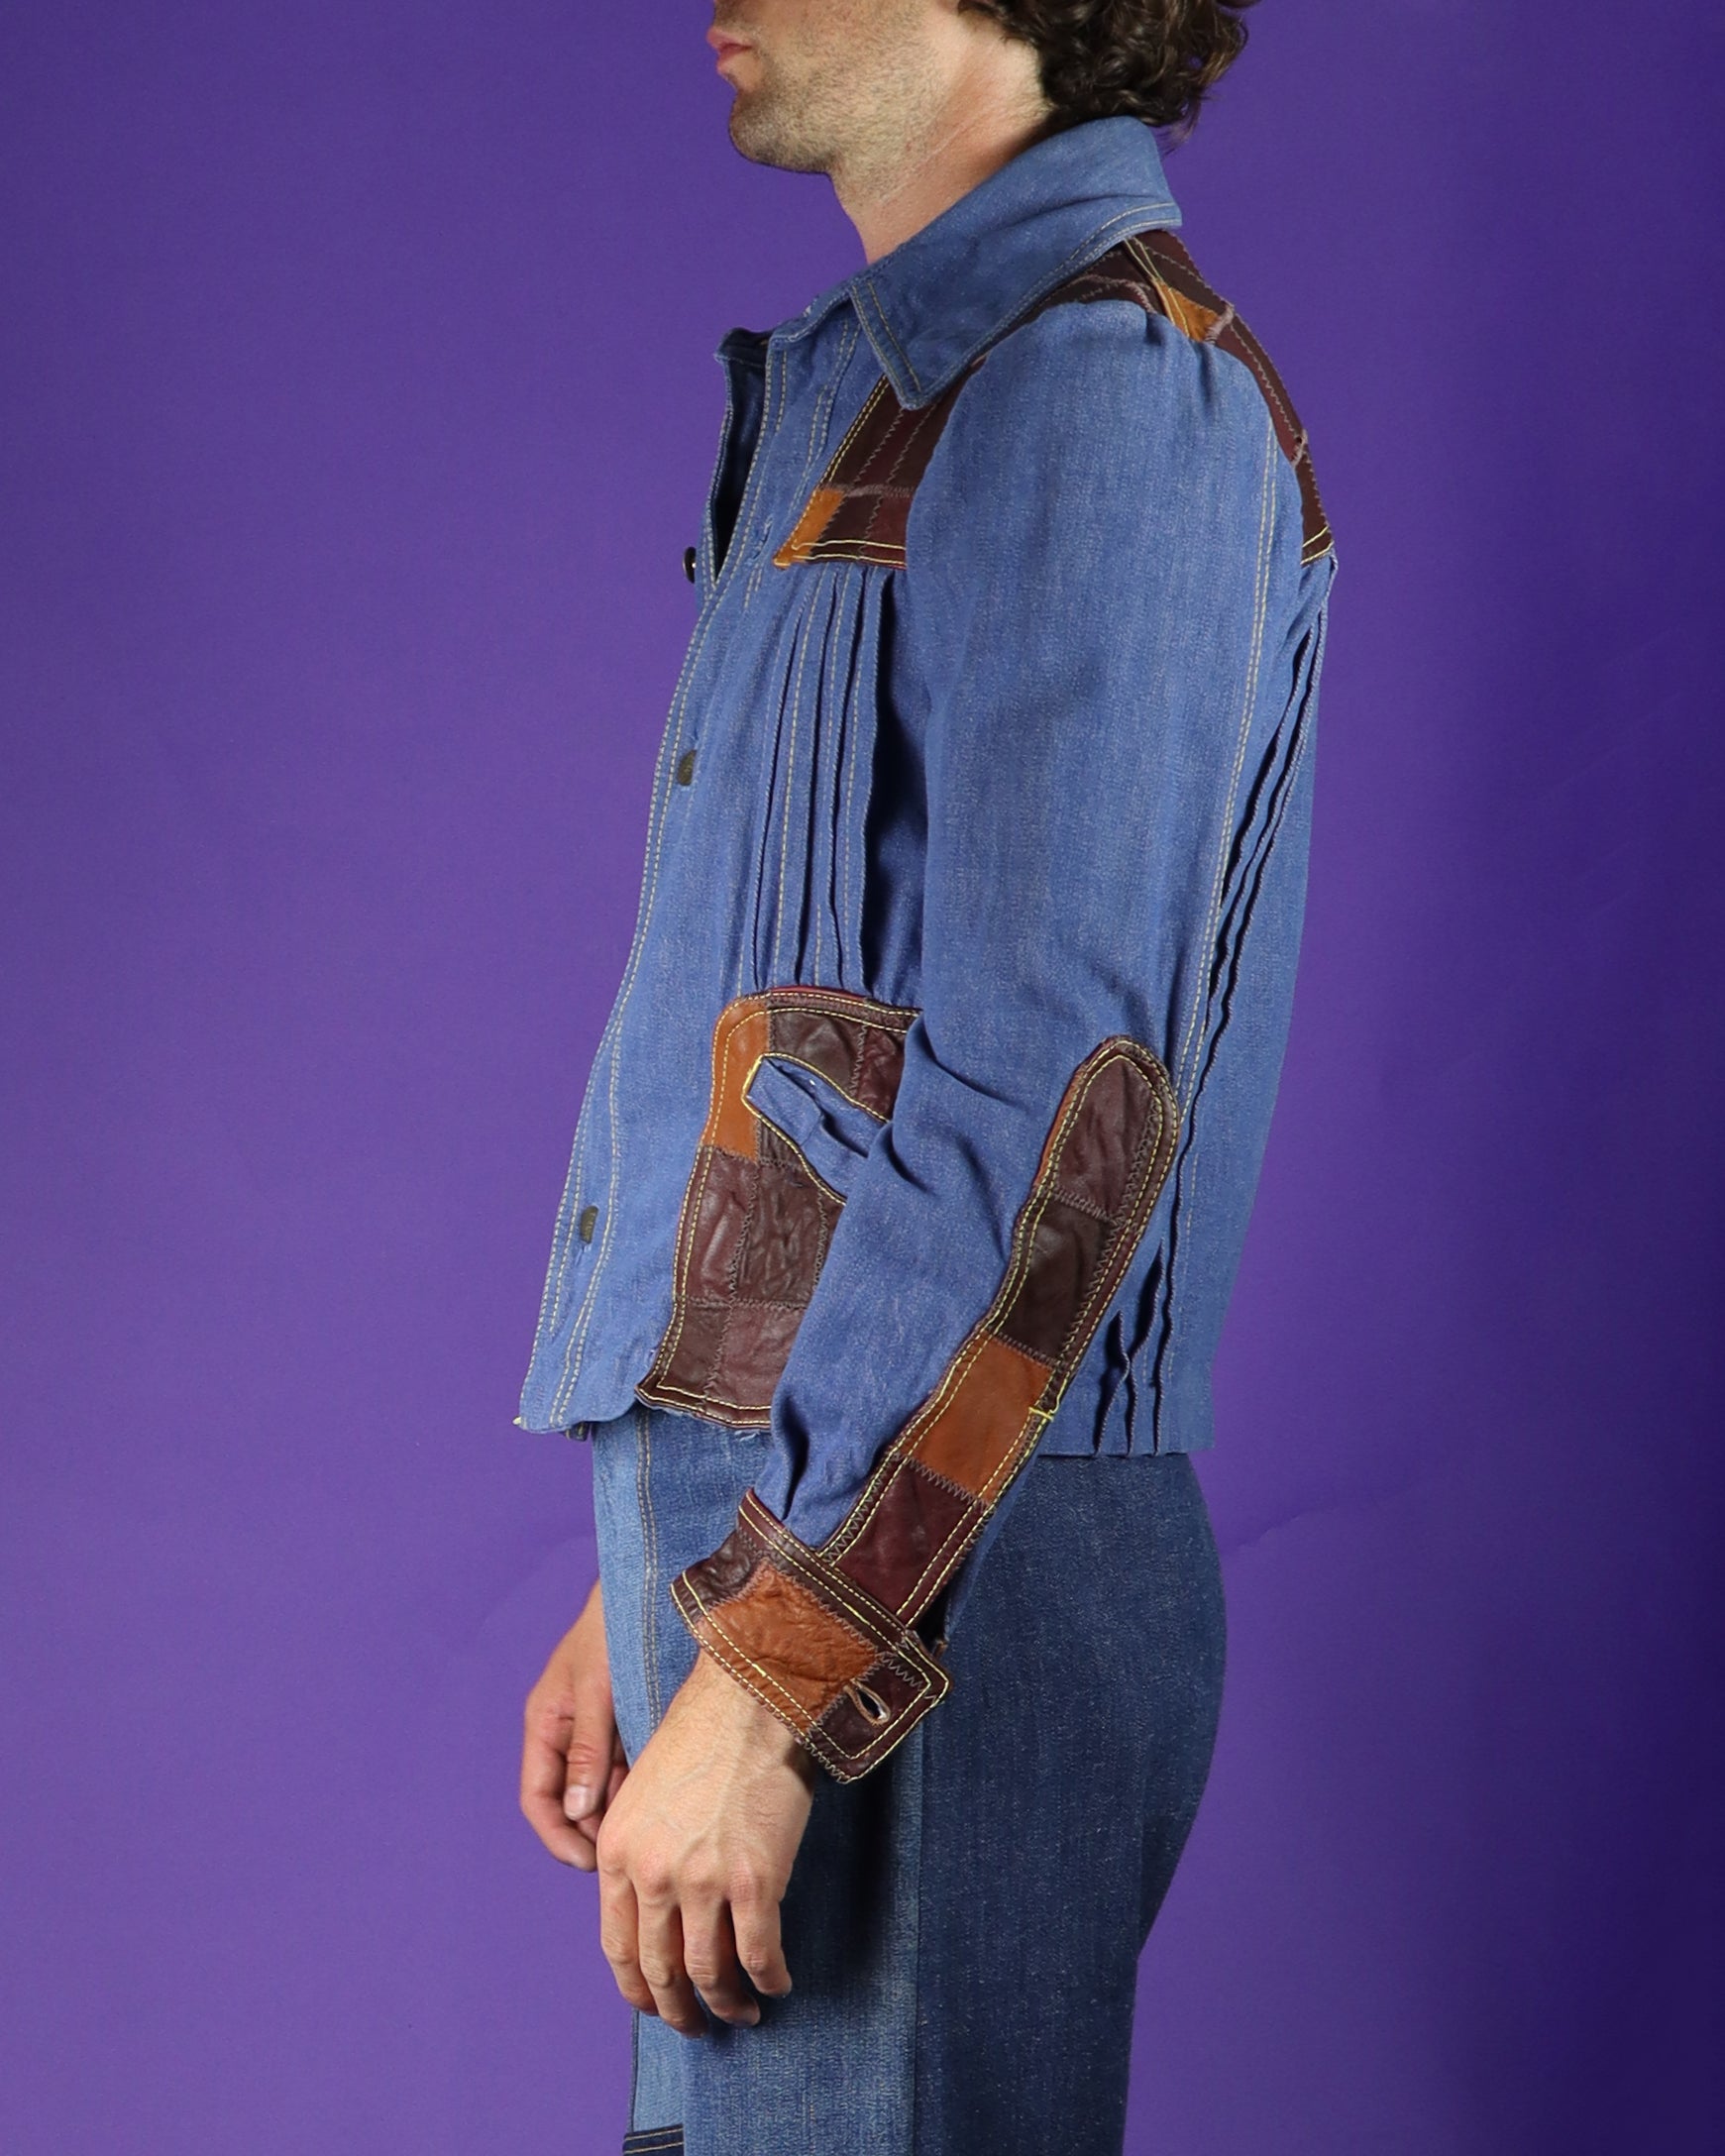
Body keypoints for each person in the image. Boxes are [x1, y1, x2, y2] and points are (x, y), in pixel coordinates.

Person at [517, 2, 1335, 2149]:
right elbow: (823, 1050)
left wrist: (778, 1662)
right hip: (817, 1543)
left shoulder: (1100, 386)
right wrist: (657, 1567)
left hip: (924, 1590)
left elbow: (1060, 1119)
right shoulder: (891, 384)